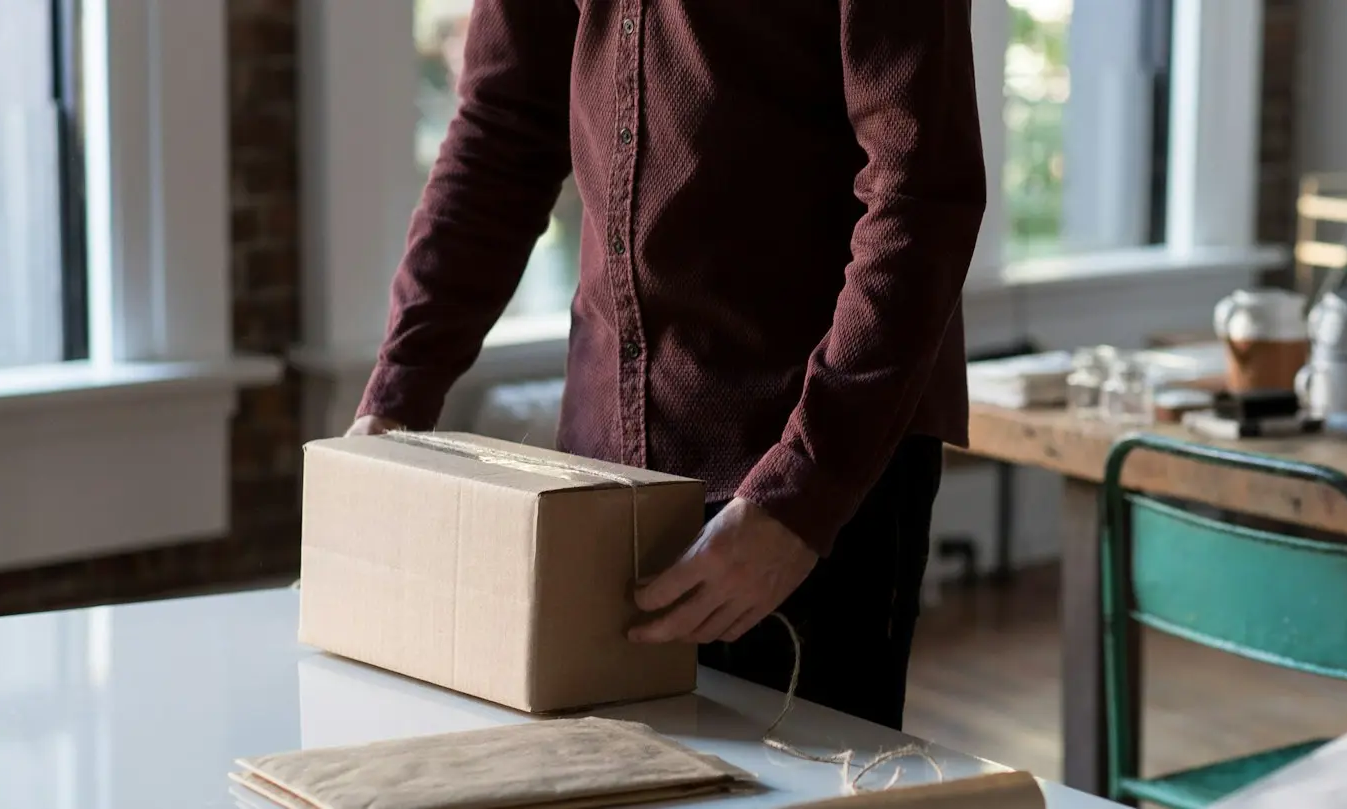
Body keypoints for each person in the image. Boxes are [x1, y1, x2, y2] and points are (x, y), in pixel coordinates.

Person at [347, 2, 985, 732]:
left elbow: (920, 192)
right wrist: (395, 398)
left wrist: (802, 493)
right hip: (601, 473)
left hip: (806, 473)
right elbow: (502, 130)